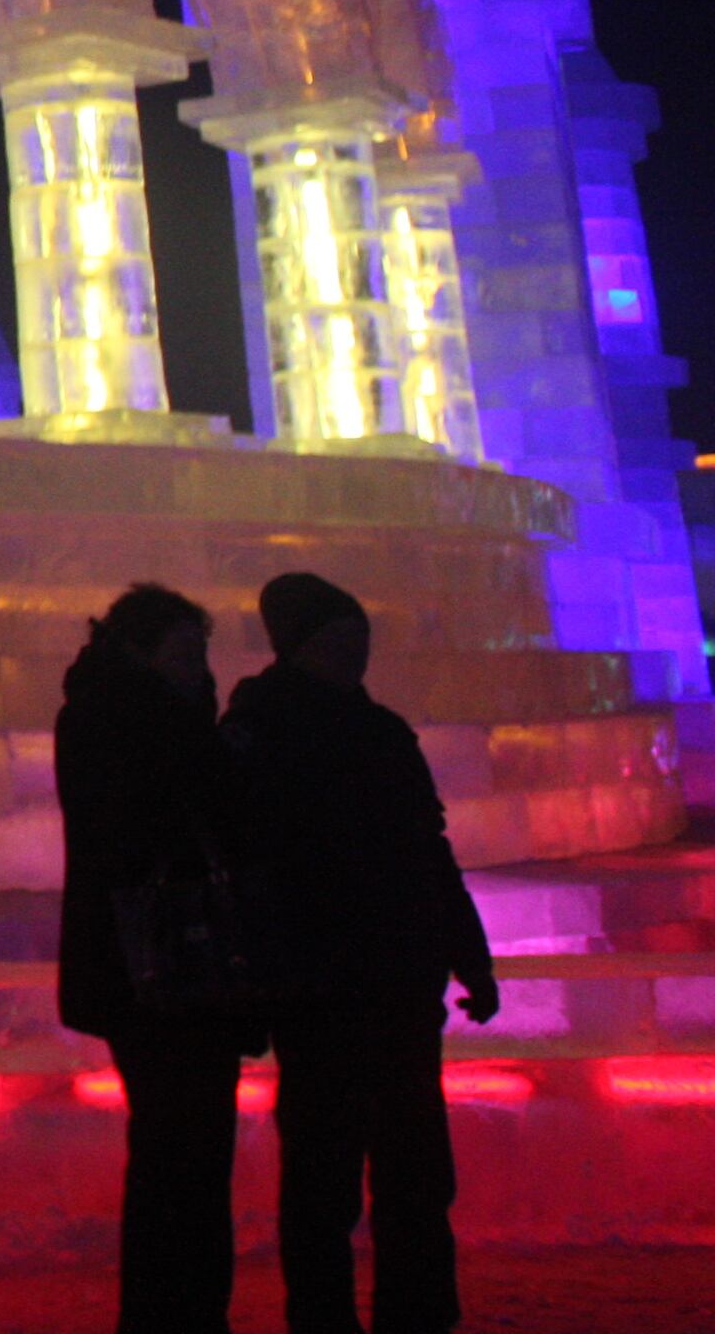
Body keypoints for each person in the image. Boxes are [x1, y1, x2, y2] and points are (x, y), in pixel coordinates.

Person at [224, 571, 500, 1334]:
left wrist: (467, 954)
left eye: (360, 639)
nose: (356, 653)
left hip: (397, 982)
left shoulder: (379, 730)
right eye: (339, 639)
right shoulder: (260, 731)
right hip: (319, 988)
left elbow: (428, 850)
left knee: (412, 1169)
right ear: (299, 644)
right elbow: (246, 865)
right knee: (325, 1176)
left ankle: (417, 1315)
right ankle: (327, 1321)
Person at [55, 579, 255, 1334]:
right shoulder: (135, 720)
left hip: (142, 966)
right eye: (186, 652)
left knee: (176, 1151)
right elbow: (196, 806)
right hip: (169, 963)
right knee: (188, 1154)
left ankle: (168, 1311)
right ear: (141, 651)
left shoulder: (100, 713)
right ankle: (183, 1314)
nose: (198, 666)